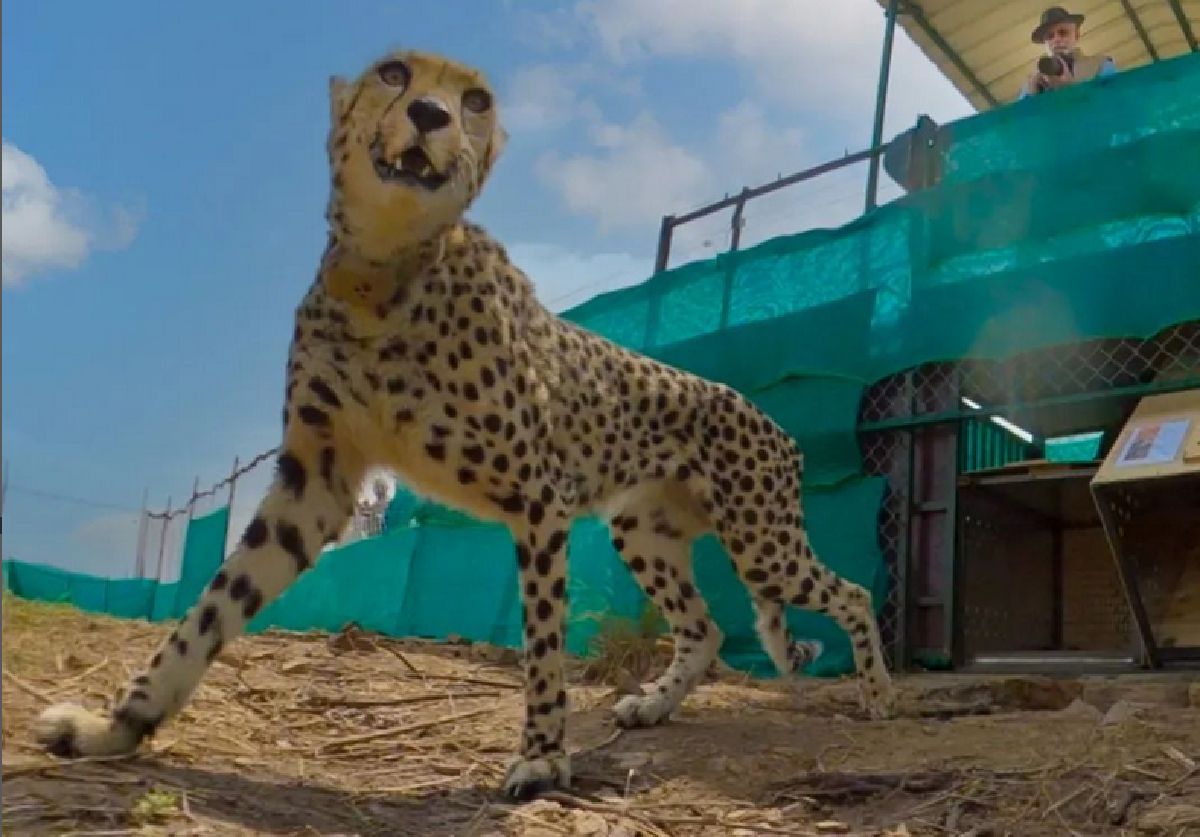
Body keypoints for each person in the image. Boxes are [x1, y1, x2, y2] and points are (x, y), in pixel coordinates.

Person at [1019, 6, 1117, 100]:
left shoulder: (1100, 64)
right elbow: (1020, 114)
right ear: (1045, 42)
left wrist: (1072, 90)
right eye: (1050, 36)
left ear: (1076, 35)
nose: (1056, 39)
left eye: (1063, 32)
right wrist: (1032, 96)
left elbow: (1115, 100)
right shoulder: (1032, 83)